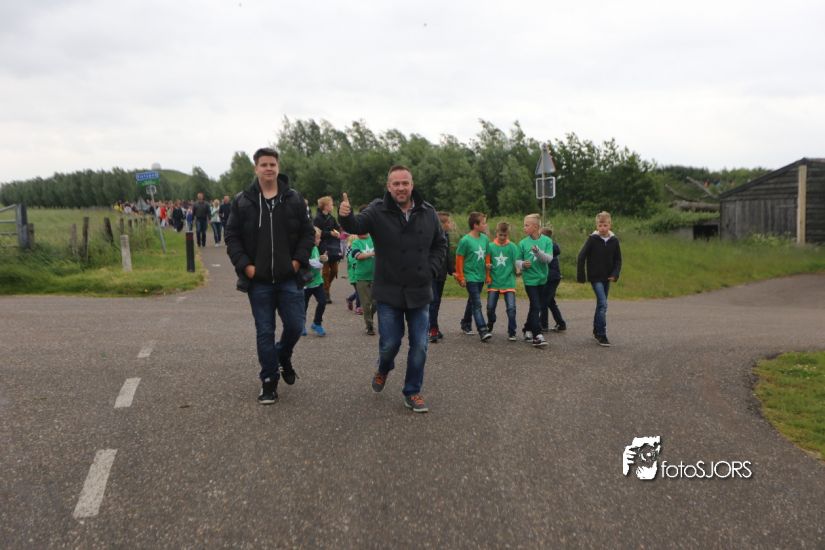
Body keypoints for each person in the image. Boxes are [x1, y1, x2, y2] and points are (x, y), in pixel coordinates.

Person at [339, 165, 446, 413]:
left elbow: (440, 244)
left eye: (405, 183)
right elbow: (356, 225)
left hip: (419, 290)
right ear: (388, 187)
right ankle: (383, 368)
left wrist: (430, 269)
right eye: (395, 184)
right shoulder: (377, 210)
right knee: (390, 344)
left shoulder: (428, 212)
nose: (401, 188)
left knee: (420, 345)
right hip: (389, 290)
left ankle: (412, 391)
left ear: (412, 185)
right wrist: (344, 215)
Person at [224, 147, 315, 404]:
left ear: (278, 167)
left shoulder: (294, 199)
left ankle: (282, 354)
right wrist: (246, 266)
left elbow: (308, 233)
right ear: (256, 168)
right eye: (263, 164)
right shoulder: (243, 201)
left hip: (289, 278)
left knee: (295, 326)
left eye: (272, 164)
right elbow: (232, 236)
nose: (268, 168)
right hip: (259, 282)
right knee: (265, 331)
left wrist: (297, 262)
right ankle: (269, 381)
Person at [577, 211, 622, 347]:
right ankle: (602, 335)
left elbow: (618, 260)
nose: (603, 228)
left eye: (605, 225)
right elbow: (581, 256)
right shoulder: (592, 239)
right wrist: (581, 276)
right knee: (603, 303)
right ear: (597, 226)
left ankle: (596, 330)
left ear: (610, 225)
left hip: (607, 277)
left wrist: (615, 274)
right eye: (600, 225)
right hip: (595, 277)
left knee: (601, 305)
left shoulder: (614, 241)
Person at [517, 214, 553, 348]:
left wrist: (538, 252)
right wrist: (522, 264)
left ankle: (527, 329)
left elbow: (548, 259)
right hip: (529, 280)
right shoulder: (522, 243)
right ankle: (537, 335)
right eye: (524, 225)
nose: (524, 227)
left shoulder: (547, 241)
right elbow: (517, 261)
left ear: (536, 227)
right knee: (536, 306)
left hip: (542, 279)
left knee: (535, 306)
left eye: (527, 225)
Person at [456, 212, 492, 342]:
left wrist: (487, 275)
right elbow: (459, 259)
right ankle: (483, 330)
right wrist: (461, 277)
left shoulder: (485, 239)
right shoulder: (465, 240)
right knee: (477, 304)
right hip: (470, 277)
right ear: (475, 225)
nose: (485, 225)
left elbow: (487, 257)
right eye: (483, 223)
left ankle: (465, 323)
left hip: (480, 276)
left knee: (472, 300)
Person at [486, 221, 520, 341]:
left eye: (505, 235)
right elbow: (487, 261)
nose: (502, 237)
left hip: (508, 281)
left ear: (508, 234)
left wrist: (518, 269)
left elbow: (517, 262)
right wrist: (487, 268)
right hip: (494, 282)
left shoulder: (512, 247)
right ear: (496, 233)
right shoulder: (490, 246)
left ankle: (512, 332)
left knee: (511, 308)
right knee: (490, 308)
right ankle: (491, 322)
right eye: (500, 235)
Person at [429, 211, 455, 343]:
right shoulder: (430, 237)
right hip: (431, 274)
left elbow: (447, 255)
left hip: (442, 274)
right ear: (442, 224)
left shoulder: (446, 236)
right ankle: (432, 329)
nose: (451, 224)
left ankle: (434, 326)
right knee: (433, 301)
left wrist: (453, 271)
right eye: (449, 222)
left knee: (437, 302)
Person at [313, 196, 342, 304]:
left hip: (333, 247)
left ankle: (325, 287)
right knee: (325, 272)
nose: (332, 206)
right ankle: (326, 293)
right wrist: (330, 233)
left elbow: (337, 228)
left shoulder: (332, 217)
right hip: (323, 247)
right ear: (325, 206)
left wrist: (338, 232)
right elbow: (316, 233)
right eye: (331, 204)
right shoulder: (317, 219)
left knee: (334, 271)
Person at [540, 227, 567, 332]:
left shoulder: (548, 246)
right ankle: (561, 324)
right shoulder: (552, 246)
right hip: (553, 277)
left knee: (544, 301)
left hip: (551, 278)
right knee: (550, 301)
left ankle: (543, 325)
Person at [303, 227, 329, 336]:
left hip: (317, 282)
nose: (320, 240)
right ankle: (301, 324)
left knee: (322, 302)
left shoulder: (315, 248)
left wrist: (323, 259)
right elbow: (307, 262)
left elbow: (318, 264)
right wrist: (318, 261)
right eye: (318, 238)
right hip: (305, 284)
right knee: (303, 306)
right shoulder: (304, 249)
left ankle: (317, 323)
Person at [351, 231, 376, 335]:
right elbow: (358, 256)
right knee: (366, 304)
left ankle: (370, 318)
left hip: (376, 276)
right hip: (361, 277)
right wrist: (372, 253)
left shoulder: (374, 239)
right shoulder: (355, 243)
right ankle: (369, 326)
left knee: (376, 303)